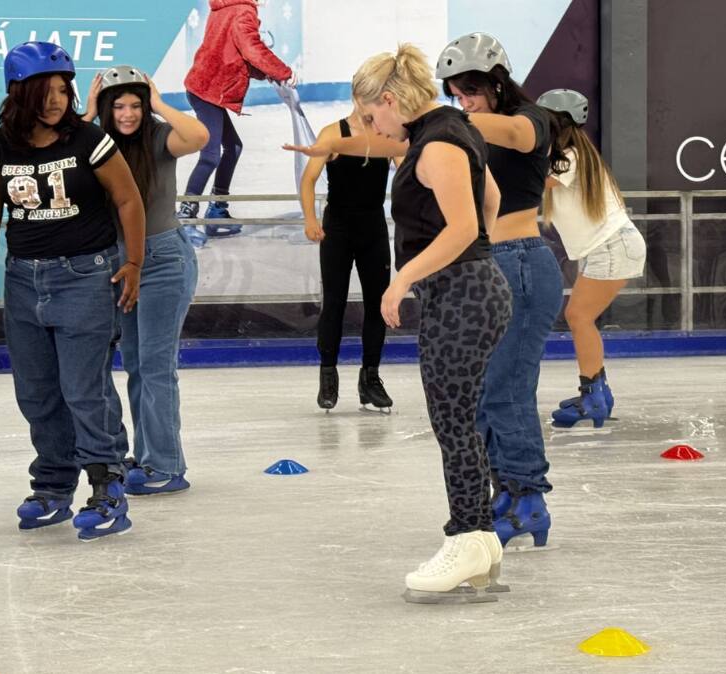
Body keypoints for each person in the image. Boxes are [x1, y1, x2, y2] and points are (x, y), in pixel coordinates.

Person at [307, 44, 510, 602]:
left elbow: (464, 226)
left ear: (392, 100)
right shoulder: (451, 129)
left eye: (372, 114)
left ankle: (466, 538)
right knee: (460, 420)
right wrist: (473, 259)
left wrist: (402, 280)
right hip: (469, 288)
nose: (373, 125)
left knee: (452, 423)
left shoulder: (438, 144)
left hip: (462, 294)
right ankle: (483, 541)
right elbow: (490, 199)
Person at [0, 42, 145, 541]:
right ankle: (52, 486)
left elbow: (128, 199)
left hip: (85, 277)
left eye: (63, 90)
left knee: (85, 390)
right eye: (46, 91)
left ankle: (107, 486)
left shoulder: (88, 139)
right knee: (37, 392)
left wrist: (134, 262)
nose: (56, 100)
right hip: (23, 281)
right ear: (19, 93)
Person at [437, 33, 564, 549]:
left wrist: (447, 120)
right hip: (489, 267)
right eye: (454, 95)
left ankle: (529, 499)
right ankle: (507, 492)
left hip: (523, 265)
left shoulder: (532, 119)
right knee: (486, 394)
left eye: (468, 91)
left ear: (495, 82)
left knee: (508, 391)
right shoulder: (464, 130)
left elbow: (514, 133)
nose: (463, 103)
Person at [84, 65, 210, 494]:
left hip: (162, 260)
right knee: (137, 364)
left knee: (156, 366)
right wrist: (87, 115)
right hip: (122, 263)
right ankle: (149, 454)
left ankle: (167, 466)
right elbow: (60, 149)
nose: (128, 114)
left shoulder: (158, 138)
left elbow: (199, 136)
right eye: (118, 106)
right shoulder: (96, 143)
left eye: (135, 105)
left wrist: (159, 103)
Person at [539, 89, 646, 428]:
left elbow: (536, 182)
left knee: (578, 316)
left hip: (612, 245)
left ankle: (593, 396)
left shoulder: (569, 158)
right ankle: (598, 392)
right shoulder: (573, 157)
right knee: (580, 317)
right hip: (606, 246)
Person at [298, 108, 395, 412]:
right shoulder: (332, 133)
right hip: (337, 228)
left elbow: (409, 170)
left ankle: (371, 377)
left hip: (373, 227)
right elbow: (308, 179)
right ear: (357, 97)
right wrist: (310, 219)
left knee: (377, 304)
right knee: (334, 302)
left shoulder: (387, 135)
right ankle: (328, 374)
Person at [180, 0, 297, 243]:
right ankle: (185, 216)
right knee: (210, 155)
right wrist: (282, 71)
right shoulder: (243, 11)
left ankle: (217, 210)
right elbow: (252, 49)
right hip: (208, 92)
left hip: (205, 87)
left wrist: (265, 73)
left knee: (233, 147)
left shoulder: (225, 8)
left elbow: (233, 53)